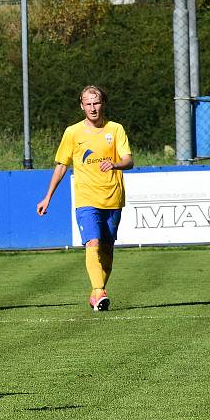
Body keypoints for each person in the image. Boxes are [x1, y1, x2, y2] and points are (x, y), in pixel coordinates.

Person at [36, 85, 133, 311]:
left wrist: (116, 164)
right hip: (86, 199)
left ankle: (95, 293)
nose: (92, 108)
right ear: (81, 106)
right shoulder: (72, 133)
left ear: (103, 104)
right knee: (93, 242)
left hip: (113, 198)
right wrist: (47, 197)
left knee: (107, 251)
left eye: (96, 103)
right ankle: (99, 291)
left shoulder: (116, 129)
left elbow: (129, 160)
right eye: (88, 104)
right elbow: (61, 166)